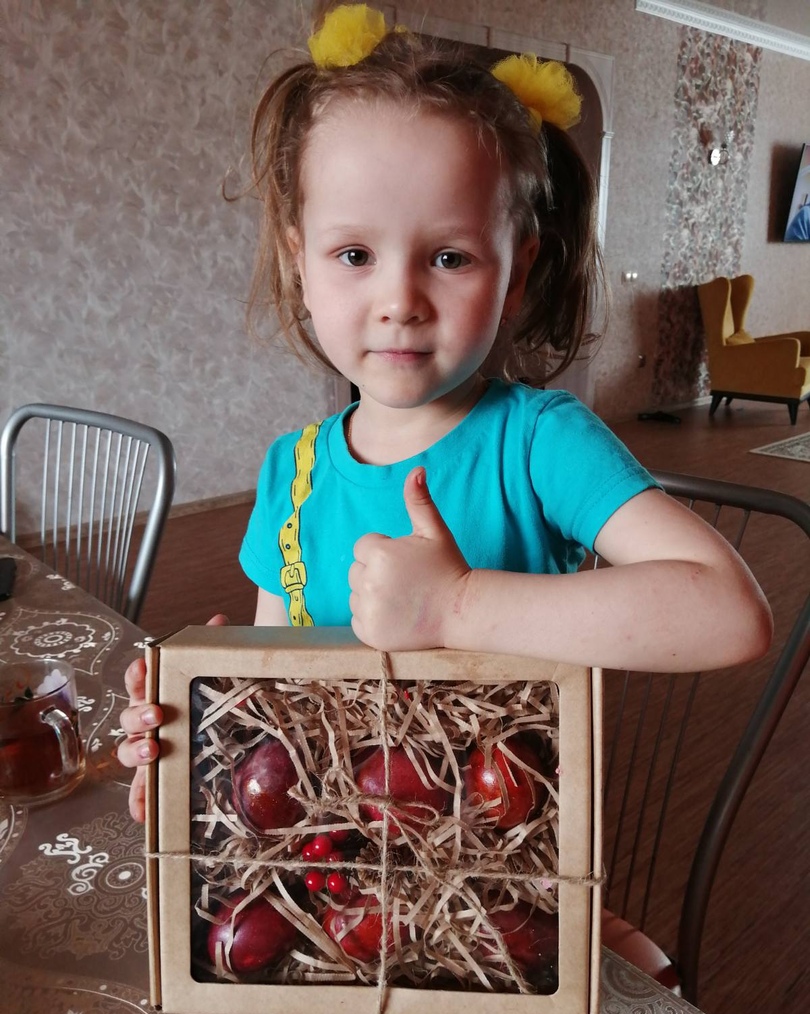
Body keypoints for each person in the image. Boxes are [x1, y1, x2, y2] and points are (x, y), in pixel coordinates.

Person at [118, 4, 772, 823]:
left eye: (450, 257)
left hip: (492, 875)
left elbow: (730, 613)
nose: (400, 300)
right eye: (355, 254)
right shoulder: (292, 470)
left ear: (516, 273)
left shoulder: (539, 445)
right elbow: (279, 693)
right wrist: (205, 723)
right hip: (325, 867)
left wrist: (456, 606)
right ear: (300, 262)